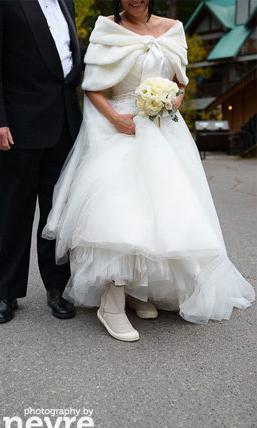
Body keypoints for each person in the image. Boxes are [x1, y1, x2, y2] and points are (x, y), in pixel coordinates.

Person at [42, 0, 255, 341]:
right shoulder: (107, 28)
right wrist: (116, 120)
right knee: (123, 208)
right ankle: (110, 304)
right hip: (119, 128)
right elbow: (93, 86)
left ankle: (140, 291)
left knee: (164, 210)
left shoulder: (173, 29)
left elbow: (180, 81)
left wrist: (173, 100)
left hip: (162, 130)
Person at [0, 0, 84, 324]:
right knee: (14, 213)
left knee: (57, 212)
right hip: (18, 125)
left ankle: (57, 288)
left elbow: (66, 57)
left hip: (64, 121)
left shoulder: (66, 1)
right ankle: (5, 293)